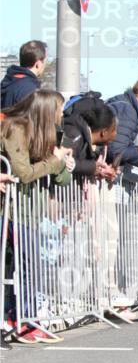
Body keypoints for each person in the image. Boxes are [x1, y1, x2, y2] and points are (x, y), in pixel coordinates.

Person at [0, 90, 74, 344]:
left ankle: (25, 319)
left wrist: (64, 164)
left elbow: (62, 178)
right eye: (59, 109)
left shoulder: (46, 133)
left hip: (30, 212)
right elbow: (22, 172)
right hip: (12, 210)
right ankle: (22, 319)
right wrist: (54, 161)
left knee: (31, 267)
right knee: (26, 266)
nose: (62, 115)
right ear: (46, 109)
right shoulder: (15, 128)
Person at [62, 94, 118, 181]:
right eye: (114, 130)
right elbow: (63, 159)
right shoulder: (74, 134)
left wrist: (99, 170)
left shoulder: (86, 139)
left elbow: (80, 163)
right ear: (104, 132)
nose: (115, 135)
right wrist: (92, 168)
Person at [1, 40, 48, 109]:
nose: (45, 65)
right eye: (45, 61)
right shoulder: (30, 90)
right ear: (38, 64)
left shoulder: (8, 81)